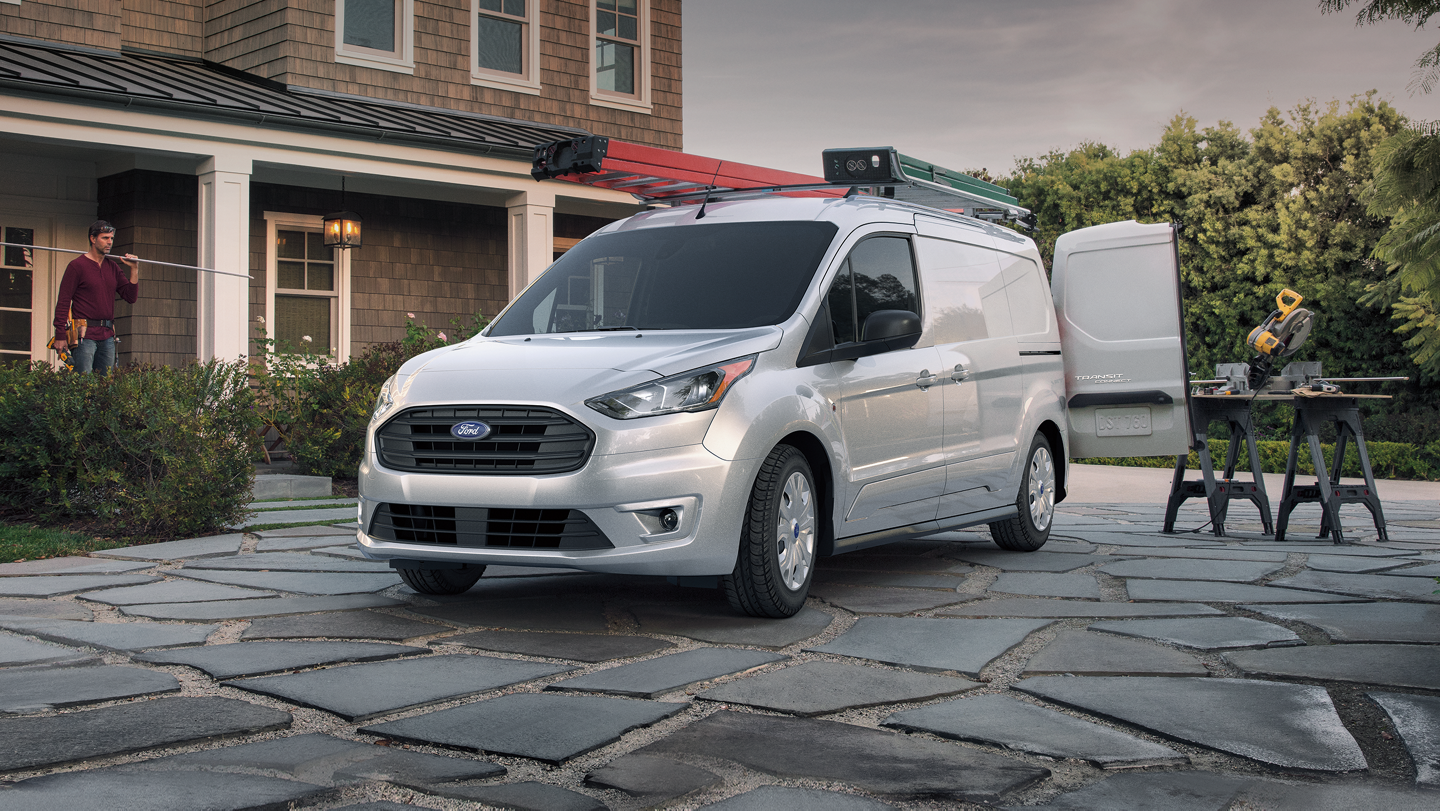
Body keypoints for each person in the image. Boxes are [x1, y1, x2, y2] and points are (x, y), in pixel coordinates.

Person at [53, 220, 139, 374]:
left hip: (107, 336)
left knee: (105, 387)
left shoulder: (112, 267)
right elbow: (63, 301)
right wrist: (60, 334)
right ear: (93, 239)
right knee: (83, 385)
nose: (109, 242)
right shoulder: (77, 266)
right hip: (84, 336)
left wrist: (134, 269)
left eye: (111, 238)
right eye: (105, 238)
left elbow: (130, 296)